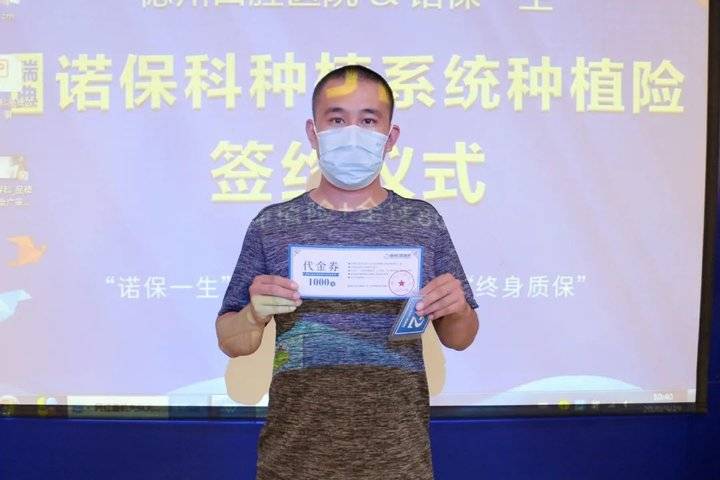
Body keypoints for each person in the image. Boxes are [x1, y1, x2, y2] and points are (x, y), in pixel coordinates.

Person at [216, 64, 479, 480]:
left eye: (368, 120)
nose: (352, 133)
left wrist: (458, 308)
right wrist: (252, 314)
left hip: (398, 462)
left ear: (390, 136)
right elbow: (231, 340)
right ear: (313, 132)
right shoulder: (274, 225)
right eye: (337, 120)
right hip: (293, 462)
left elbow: (459, 337)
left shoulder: (422, 223)